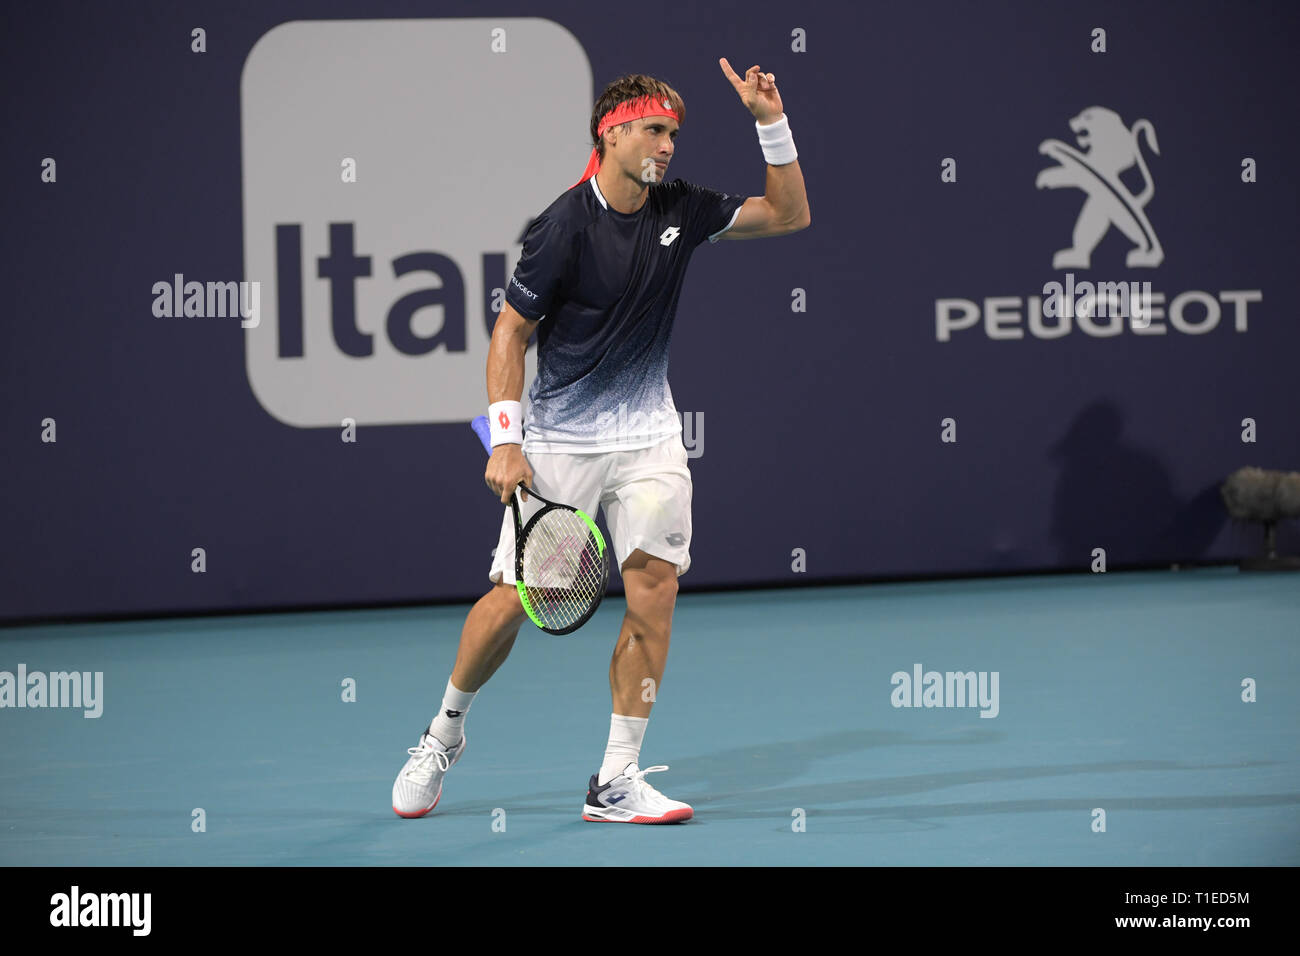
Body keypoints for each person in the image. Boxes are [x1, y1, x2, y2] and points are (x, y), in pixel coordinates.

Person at [393, 59, 810, 823]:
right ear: (611, 134)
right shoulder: (563, 226)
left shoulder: (682, 207)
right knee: (521, 598)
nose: (668, 145)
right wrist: (506, 440)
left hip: (650, 433)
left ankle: (616, 781)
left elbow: (787, 215)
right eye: (654, 130)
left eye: (674, 134)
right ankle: (444, 732)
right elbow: (510, 332)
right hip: (561, 438)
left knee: (656, 586)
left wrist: (767, 122)